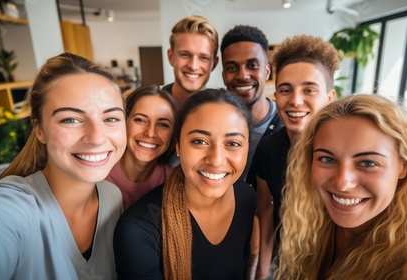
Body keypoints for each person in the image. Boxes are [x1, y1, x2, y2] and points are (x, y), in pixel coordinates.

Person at [277, 94, 407, 279]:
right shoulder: (309, 227)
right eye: (327, 159)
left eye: (368, 163)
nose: (343, 183)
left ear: (404, 166)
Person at [0, 52, 126, 280]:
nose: (96, 137)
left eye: (111, 118)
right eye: (71, 119)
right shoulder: (6, 206)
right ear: (40, 129)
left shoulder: (112, 197)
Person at [113, 88, 256, 279]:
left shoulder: (247, 198)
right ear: (178, 146)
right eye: (199, 141)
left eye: (233, 143)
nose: (216, 160)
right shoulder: (137, 231)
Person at [253, 35, 339, 279]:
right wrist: (261, 272)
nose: (295, 100)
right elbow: (265, 210)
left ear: (329, 98)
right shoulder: (268, 148)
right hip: (288, 262)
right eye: (285, 90)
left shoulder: (343, 152)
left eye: (309, 90)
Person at [220, 24, 283, 278]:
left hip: (275, 250)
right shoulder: (215, 119)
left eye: (252, 65)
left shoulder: (287, 125)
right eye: (232, 67)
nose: (242, 75)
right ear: (223, 73)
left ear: (267, 70)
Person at [106, 84, 177, 209]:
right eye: (140, 120)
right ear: (124, 121)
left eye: (163, 125)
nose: (150, 133)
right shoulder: (99, 174)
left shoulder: (174, 182)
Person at [162, 15, 219, 109]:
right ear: (170, 57)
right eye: (185, 55)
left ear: (214, 64)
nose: (193, 66)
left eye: (203, 58)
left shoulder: (222, 113)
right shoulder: (150, 107)